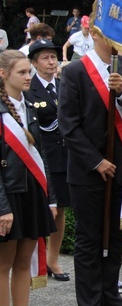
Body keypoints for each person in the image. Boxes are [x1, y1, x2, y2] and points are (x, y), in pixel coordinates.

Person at [58, 27, 122, 306]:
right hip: (88, 169)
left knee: (115, 235)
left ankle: (111, 298)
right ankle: (89, 305)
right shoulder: (75, 71)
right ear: (95, 34)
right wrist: (96, 161)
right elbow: (69, 125)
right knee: (89, 238)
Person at [0, 50, 57, 306]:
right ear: (3, 74)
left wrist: (51, 199)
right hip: (8, 197)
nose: (28, 77)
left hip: (33, 193)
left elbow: (41, 156)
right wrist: (3, 209)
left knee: (24, 263)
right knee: (3, 264)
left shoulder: (30, 108)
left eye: (29, 72)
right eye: (22, 72)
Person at [25, 39, 69, 281]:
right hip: (39, 157)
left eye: (53, 56)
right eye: (45, 58)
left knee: (59, 208)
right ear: (34, 62)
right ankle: (32, 261)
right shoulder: (27, 88)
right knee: (41, 208)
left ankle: (53, 260)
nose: (51, 62)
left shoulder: (64, 85)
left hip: (63, 157)